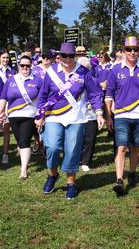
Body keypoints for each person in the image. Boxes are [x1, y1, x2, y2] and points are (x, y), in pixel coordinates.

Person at [36, 42, 105, 200]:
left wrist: (99, 113)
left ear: (76, 56)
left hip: (76, 118)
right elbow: (43, 95)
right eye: (64, 56)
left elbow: (94, 93)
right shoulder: (52, 72)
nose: (67, 59)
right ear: (58, 56)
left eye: (71, 56)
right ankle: (52, 175)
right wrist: (40, 115)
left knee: (73, 149)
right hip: (54, 115)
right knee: (52, 147)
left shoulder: (83, 72)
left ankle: (71, 183)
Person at [105, 36, 139, 196]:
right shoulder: (115, 69)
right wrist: (108, 116)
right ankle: (119, 180)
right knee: (121, 147)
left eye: (135, 50)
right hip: (121, 114)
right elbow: (109, 93)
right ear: (124, 50)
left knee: (136, 147)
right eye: (129, 50)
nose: (132, 52)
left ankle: (132, 173)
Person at [0, 55, 41, 179]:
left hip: (29, 115)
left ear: (31, 66)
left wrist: (41, 115)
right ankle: (25, 160)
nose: (25, 68)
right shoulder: (11, 80)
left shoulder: (37, 80)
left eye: (27, 65)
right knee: (20, 141)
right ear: (18, 66)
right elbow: (3, 97)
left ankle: (23, 169)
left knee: (24, 140)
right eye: (22, 65)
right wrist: (0, 113)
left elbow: (42, 98)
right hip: (13, 116)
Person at [77, 55, 100, 172]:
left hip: (91, 114)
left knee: (90, 138)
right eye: (81, 67)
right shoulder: (73, 82)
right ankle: (76, 159)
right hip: (76, 115)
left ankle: (86, 161)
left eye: (86, 68)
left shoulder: (94, 80)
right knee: (76, 138)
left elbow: (98, 95)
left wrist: (99, 111)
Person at [0, 50, 15, 165]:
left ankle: (5, 154)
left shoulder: (13, 71)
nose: (5, 60)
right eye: (3, 58)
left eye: (7, 58)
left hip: (8, 103)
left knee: (6, 128)